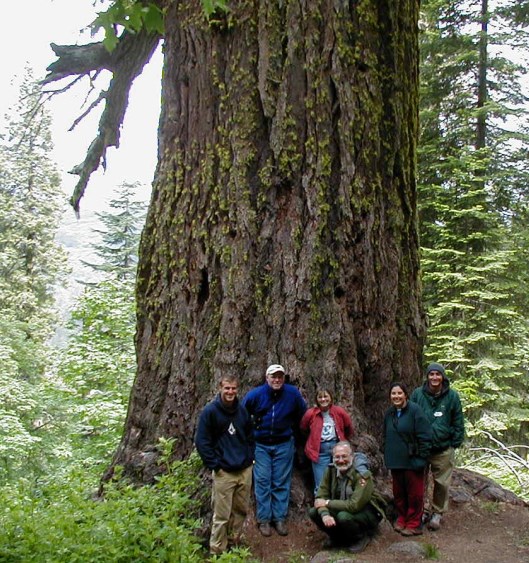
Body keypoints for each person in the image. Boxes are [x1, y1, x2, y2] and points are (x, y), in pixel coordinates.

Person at [242, 364, 307, 537]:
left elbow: (302, 413)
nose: (277, 379)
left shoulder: (292, 394)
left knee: (280, 481)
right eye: (273, 376)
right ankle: (264, 519)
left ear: (284, 378)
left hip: (284, 443)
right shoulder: (256, 395)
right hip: (261, 444)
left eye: (280, 376)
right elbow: (242, 413)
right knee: (263, 480)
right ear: (267, 377)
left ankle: (279, 518)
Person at [195, 376, 254, 555]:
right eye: (227, 388)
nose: (230, 392)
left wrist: (250, 459)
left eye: (233, 388)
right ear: (220, 388)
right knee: (221, 515)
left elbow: (250, 436)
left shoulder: (242, 411)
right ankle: (217, 551)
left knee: (240, 510)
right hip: (224, 472)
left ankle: (234, 543)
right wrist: (215, 465)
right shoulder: (210, 412)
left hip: (244, 469)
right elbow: (202, 441)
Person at [410, 362, 465, 531]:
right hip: (421, 447)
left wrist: (454, 442)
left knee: (441, 483)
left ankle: (437, 512)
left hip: (443, 448)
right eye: (431, 374)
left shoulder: (452, 396)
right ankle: (422, 510)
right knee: (419, 481)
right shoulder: (418, 394)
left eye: (438, 374)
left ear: (443, 377)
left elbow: (458, 420)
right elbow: (409, 416)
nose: (434, 378)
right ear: (427, 376)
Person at [309, 441, 383, 554]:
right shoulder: (330, 470)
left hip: (365, 513)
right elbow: (320, 497)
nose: (341, 460)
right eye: (337, 457)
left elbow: (354, 505)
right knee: (314, 512)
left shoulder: (362, 475)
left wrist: (327, 503)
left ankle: (360, 538)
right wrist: (325, 514)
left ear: (352, 457)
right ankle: (337, 538)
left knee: (343, 516)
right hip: (343, 508)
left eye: (344, 456)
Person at [383, 382, 432, 536]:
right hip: (396, 461)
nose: (396, 396)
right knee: (399, 493)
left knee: (414, 494)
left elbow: (425, 436)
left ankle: (414, 522)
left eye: (399, 393)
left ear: (405, 395)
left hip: (413, 461)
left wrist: (421, 458)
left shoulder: (415, 411)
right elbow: (386, 434)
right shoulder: (389, 413)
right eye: (393, 394)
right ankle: (402, 517)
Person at [300, 388, 355, 494]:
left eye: (326, 396)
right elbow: (303, 428)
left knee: (339, 478)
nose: (323, 399)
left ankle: (338, 504)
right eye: (320, 397)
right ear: (316, 399)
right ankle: (321, 508)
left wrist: (343, 441)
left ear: (330, 398)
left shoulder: (338, 411)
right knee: (321, 483)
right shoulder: (311, 413)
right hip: (319, 450)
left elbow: (348, 426)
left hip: (336, 447)